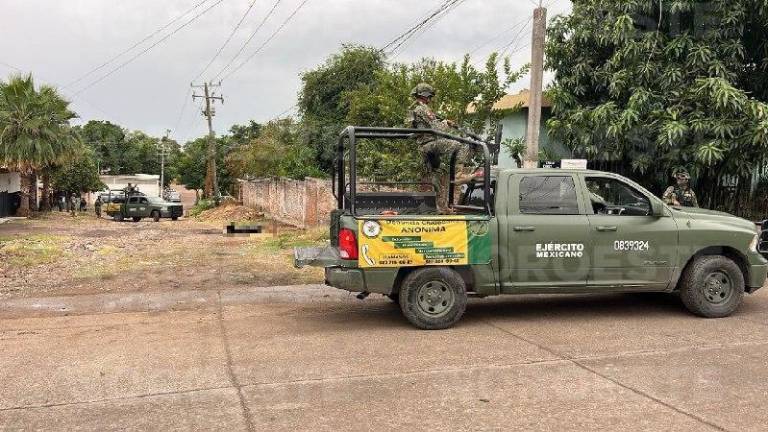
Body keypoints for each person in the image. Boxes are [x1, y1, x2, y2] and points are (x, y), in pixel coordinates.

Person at [407, 83, 474, 213]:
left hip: (425, 146)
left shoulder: (414, 109)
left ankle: (440, 208)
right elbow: (436, 128)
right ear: (424, 95)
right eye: (429, 96)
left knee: (438, 175)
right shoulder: (422, 109)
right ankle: (459, 173)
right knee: (458, 145)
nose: (430, 99)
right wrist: (446, 123)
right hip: (429, 145)